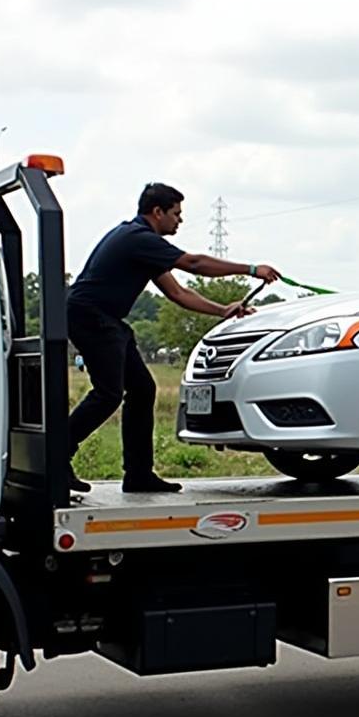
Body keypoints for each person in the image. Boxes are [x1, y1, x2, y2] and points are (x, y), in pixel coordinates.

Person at [67, 182, 280, 494]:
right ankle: (57, 453)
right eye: (176, 214)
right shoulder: (138, 238)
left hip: (105, 318)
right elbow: (193, 263)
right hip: (91, 316)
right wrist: (251, 269)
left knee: (141, 389)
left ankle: (138, 475)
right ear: (158, 212)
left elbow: (178, 292)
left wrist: (222, 310)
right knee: (108, 393)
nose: (180, 220)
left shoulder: (142, 244)